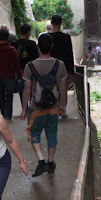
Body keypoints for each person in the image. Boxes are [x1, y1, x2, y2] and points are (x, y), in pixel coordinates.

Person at [20, 33, 67, 177]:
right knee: (52, 134)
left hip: (36, 109)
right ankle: (51, 162)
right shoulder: (60, 65)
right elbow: (63, 88)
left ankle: (41, 162)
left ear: (38, 47)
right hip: (53, 108)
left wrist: (24, 109)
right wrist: (62, 106)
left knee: (34, 133)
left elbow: (27, 89)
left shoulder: (30, 66)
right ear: (52, 46)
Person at [0, 27, 22, 120]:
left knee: (1, 95)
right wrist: (19, 76)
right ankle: (8, 115)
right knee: (10, 95)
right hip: (10, 76)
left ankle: (3, 113)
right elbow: (16, 64)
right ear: (7, 38)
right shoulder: (11, 49)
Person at [11, 23, 38, 102]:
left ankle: (24, 109)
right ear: (28, 32)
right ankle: (31, 109)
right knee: (31, 91)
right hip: (30, 71)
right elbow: (36, 59)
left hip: (18, 71)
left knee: (21, 91)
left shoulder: (13, 44)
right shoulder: (32, 44)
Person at [50, 13, 75, 85]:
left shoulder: (47, 37)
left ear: (51, 23)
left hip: (49, 68)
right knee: (62, 91)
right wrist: (71, 72)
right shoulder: (66, 37)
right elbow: (69, 55)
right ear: (61, 23)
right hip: (63, 68)